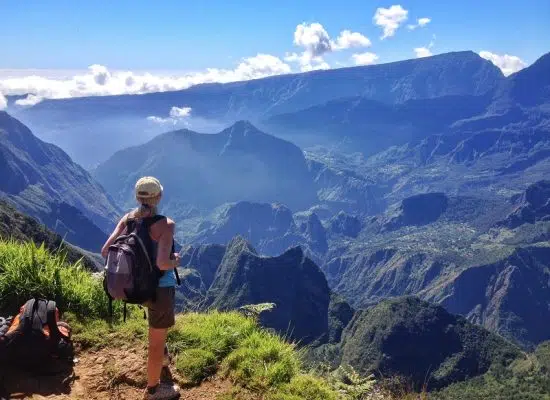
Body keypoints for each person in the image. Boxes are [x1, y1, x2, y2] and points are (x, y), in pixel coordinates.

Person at [101, 176, 181, 400]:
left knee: (157, 331)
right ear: (159, 197)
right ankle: (154, 390)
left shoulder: (126, 220)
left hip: (136, 287)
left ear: (137, 197)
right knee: (155, 342)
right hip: (159, 289)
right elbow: (162, 264)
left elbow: (106, 251)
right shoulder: (166, 224)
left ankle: (163, 360)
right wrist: (176, 261)